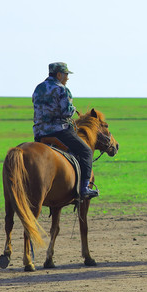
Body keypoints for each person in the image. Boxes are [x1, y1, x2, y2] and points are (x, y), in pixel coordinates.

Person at [32, 62, 98, 198]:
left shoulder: (38, 88)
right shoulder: (62, 89)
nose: (67, 78)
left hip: (39, 133)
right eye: (66, 74)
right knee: (86, 151)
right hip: (59, 131)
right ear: (59, 74)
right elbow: (66, 112)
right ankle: (85, 188)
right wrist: (73, 109)